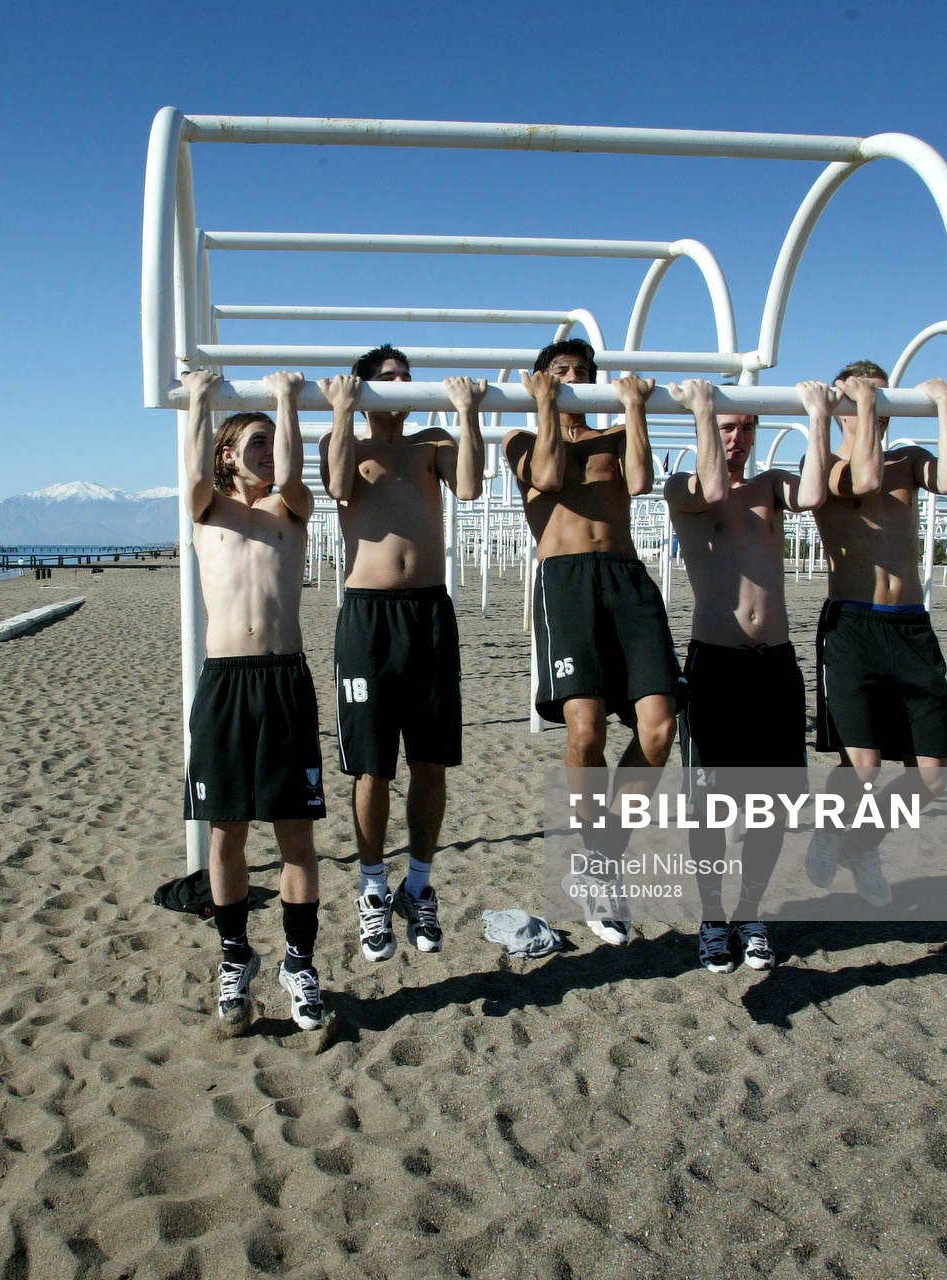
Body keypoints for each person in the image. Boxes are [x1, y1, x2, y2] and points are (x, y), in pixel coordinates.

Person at [503, 339, 681, 945]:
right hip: (566, 580)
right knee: (587, 730)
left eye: (582, 373)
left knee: (658, 729)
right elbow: (549, 476)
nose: (574, 379)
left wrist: (633, 408)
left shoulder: (611, 435)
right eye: (562, 372)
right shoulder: (521, 441)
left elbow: (639, 481)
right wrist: (547, 405)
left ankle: (605, 853)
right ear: (539, 381)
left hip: (627, 577)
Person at [318, 347, 484, 962]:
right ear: (365, 390)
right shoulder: (349, 449)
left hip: (430, 614)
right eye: (389, 379)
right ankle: (371, 890)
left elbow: (468, 487)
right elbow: (336, 487)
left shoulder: (431, 444)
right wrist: (342, 410)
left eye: (406, 379)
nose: (401, 386)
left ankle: (417, 885)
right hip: (368, 618)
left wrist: (466, 413)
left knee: (431, 761)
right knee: (372, 767)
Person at [179, 367, 329, 1034]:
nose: (268, 454)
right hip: (225, 685)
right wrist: (198, 403)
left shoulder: (289, 510)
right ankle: (235, 958)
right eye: (256, 444)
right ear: (227, 455)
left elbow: (295, 475)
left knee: (296, 834)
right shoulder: (207, 510)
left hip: (283, 682)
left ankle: (300, 962)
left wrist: (285, 402)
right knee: (226, 832)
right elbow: (191, 476)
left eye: (274, 442)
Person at [665, 380, 831, 973]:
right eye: (726, 428)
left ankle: (750, 913)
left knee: (772, 805)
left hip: (774, 665)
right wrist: (704, 412)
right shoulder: (682, 488)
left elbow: (812, 496)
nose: (735, 439)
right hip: (715, 663)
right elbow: (712, 486)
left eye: (745, 429)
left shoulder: (771, 488)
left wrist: (817, 417)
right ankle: (712, 917)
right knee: (708, 806)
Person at [807, 361, 947, 906]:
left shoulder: (908, 462)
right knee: (864, 766)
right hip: (852, 624)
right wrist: (857, 407)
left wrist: (945, 403)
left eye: (879, 398)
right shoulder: (824, 465)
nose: (870, 408)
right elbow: (862, 480)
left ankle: (862, 843)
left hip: (911, 626)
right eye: (860, 398)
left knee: (934, 776)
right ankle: (832, 828)